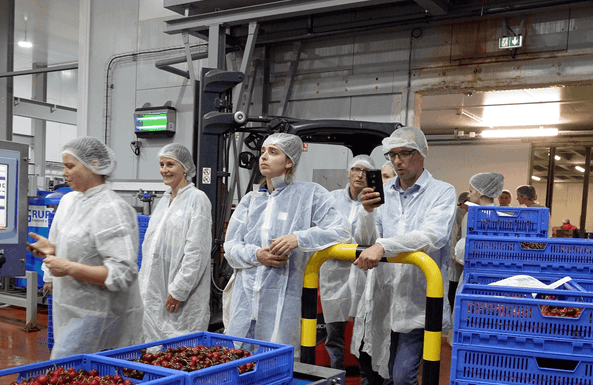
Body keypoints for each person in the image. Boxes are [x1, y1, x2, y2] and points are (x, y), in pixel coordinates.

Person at [354, 126, 456, 385]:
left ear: (422, 154)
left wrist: (383, 246)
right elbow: (366, 238)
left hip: (418, 304)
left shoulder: (441, 192)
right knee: (388, 381)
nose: (398, 161)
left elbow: (433, 235)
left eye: (406, 153)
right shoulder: (385, 195)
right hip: (385, 300)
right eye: (393, 155)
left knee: (401, 379)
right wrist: (366, 212)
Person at [223, 132, 351, 347]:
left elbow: (341, 229)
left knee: (275, 360)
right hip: (244, 302)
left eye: (273, 152)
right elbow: (231, 247)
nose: (264, 157)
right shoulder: (250, 200)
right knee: (240, 361)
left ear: (289, 161)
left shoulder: (309, 194)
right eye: (263, 151)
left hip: (282, 301)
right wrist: (256, 255)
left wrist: (298, 238)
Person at [28, 136, 143, 358]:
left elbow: (122, 273)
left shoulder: (111, 208)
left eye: (70, 166)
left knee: (77, 377)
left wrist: (68, 267)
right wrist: (54, 250)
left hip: (100, 317)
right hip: (74, 312)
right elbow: (86, 251)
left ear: (94, 165)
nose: (64, 173)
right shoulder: (75, 202)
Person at [320, 155, 380, 385]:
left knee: (365, 336)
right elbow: (322, 230)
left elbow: (371, 237)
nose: (359, 175)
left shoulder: (375, 203)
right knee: (334, 336)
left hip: (364, 275)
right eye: (355, 169)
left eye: (365, 171)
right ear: (348, 172)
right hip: (334, 274)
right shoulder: (331, 199)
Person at [138, 144, 212, 341]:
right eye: (161, 164)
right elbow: (151, 247)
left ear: (185, 168)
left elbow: (196, 251)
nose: (164, 169)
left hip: (180, 296)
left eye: (170, 164)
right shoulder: (163, 201)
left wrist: (179, 289)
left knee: (179, 349)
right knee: (152, 349)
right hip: (155, 289)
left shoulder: (197, 199)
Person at [455, 173, 505, 265]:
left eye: (471, 191)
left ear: (480, 192)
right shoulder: (502, 216)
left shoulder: (472, 215)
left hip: (475, 268)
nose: (469, 196)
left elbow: (463, 253)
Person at [447, 191, 471, 311]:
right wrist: (454, 256)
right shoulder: (458, 214)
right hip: (455, 258)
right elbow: (453, 236)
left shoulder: (467, 214)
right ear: (462, 202)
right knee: (453, 285)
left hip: (461, 256)